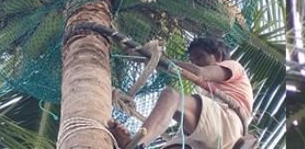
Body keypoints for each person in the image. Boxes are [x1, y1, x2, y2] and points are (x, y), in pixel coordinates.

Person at [109, 37, 254, 149]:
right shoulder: (208, 94)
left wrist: (158, 60)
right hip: (216, 137)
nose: (196, 63)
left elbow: (200, 73)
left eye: (200, 57)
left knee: (171, 97)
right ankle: (133, 145)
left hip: (229, 125)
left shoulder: (233, 66)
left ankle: (137, 144)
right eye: (193, 61)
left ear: (218, 55)